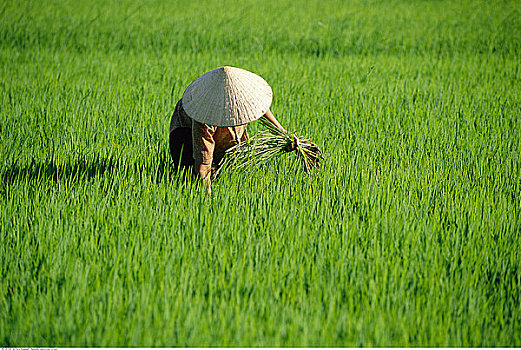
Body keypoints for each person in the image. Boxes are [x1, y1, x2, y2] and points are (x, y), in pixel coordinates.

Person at [169, 66, 287, 189]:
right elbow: (202, 164)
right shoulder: (204, 116)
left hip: (221, 134)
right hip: (186, 134)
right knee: (190, 180)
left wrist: (282, 132)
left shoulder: (244, 101)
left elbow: (258, 108)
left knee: (229, 172)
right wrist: (207, 200)